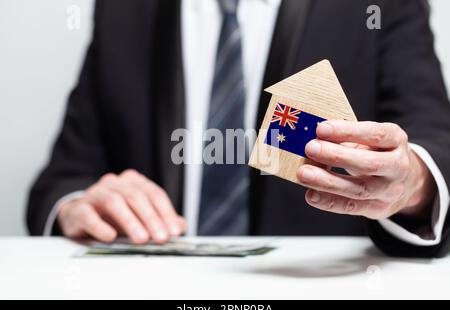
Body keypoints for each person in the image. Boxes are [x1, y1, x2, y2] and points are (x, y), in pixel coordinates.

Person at [27, 0, 450, 257]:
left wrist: (411, 183)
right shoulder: (125, 9)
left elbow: (434, 144)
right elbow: (62, 179)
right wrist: (79, 205)